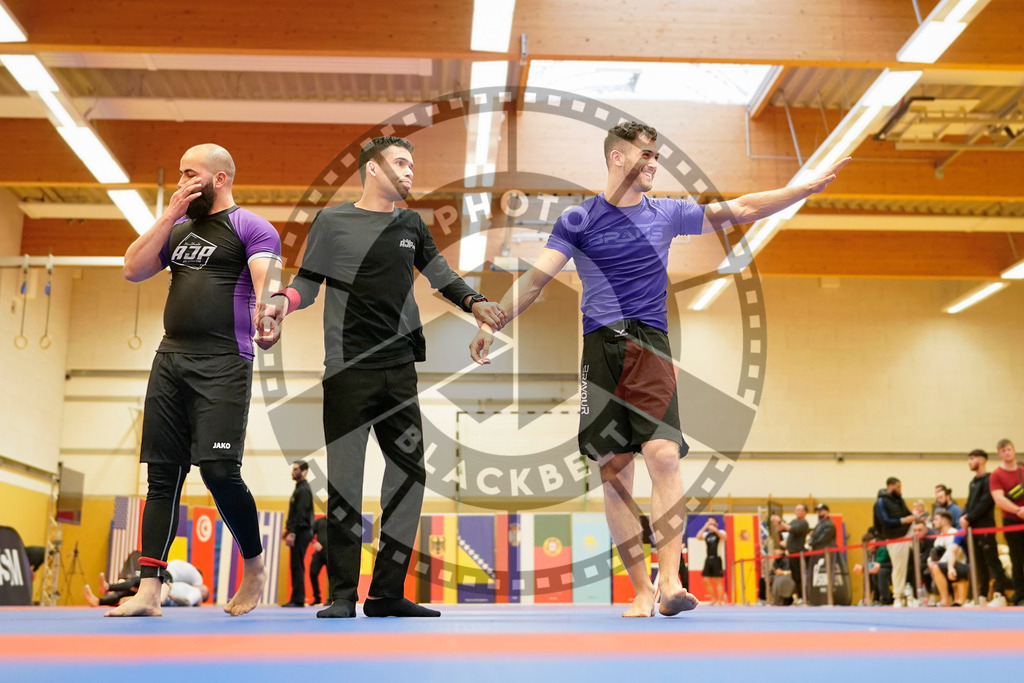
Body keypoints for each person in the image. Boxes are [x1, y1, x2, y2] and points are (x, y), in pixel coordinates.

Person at [468, 120, 849, 617]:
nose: (653, 164)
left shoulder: (667, 213)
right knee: (614, 471)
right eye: (645, 155)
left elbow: (742, 209)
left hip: (650, 344)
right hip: (599, 348)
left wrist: (801, 189)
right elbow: (536, 281)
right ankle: (641, 589)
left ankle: (669, 582)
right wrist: (493, 321)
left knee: (664, 456)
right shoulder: (578, 221)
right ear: (616, 158)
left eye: (656, 157)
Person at [257, 136, 504, 619]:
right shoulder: (332, 221)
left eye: (413, 164)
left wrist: (476, 304)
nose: (411, 172)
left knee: (410, 477)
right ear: (372, 169)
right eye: (401, 163)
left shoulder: (411, 223)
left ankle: (387, 592)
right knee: (346, 483)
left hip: (399, 371)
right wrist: (282, 305)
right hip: (348, 371)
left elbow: (440, 274)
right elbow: (309, 281)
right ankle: (343, 595)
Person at [111, 144, 278, 617]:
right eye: (180, 174)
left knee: (219, 471)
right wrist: (168, 214)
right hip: (171, 359)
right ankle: (149, 590)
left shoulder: (249, 226)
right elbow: (131, 268)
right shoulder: (179, 228)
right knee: (162, 476)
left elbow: (266, 276)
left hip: (225, 360)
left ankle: (255, 567)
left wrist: (270, 313)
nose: (184, 181)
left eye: (192, 174)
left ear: (220, 178)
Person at [961, 448, 1009, 606]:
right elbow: (970, 503)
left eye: (972, 458)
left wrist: (970, 517)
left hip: (985, 527)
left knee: (992, 561)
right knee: (978, 562)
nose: (969, 462)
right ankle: (981, 595)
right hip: (972, 528)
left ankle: (999, 593)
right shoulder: (972, 482)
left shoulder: (990, 479)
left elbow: (986, 502)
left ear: (982, 460)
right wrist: (964, 516)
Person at [989, 438, 1024, 605]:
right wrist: (1018, 510)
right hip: (1011, 519)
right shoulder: (996, 475)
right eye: (1003, 450)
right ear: (999, 454)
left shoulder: (1022, 471)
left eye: (1009, 449)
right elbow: (999, 499)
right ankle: (1020, 592)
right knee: (1016, 558)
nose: (1007, 452)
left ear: (1014, 450)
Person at [873, 477, 915, 607]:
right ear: (890, 486)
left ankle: (903, 594)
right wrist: (903, 521)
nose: (900, 490)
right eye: (898, 487)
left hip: (905, 532)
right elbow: (884, 521)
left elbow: (908, 515)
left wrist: (915, 517)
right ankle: (897, 595)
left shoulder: (899, 500)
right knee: (898, 567)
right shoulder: (881, 502)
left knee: (903, 567)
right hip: (894, 536)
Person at [282, 460, 314, 607]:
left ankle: (298, 599)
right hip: (298, 530)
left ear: (304, 471)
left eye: (296, 469)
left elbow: (301, 515)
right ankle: (296, 598)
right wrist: (288, 529)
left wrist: (293, 533)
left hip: (302, 531)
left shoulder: (303, 490)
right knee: (296, 564)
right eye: (293, 469)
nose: (293, 472)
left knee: (297, 565)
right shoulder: (298, 489)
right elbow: (294, 514)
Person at [928, 510, 969, 607]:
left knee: (937, 567)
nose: (934, 522)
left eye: (936, 519)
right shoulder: (939, 537)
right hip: (946, 565)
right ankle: (945, 598)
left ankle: (945, 600)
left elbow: (953, 552)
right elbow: (933, 554)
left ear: (945, 521)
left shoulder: (953, 533)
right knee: (932, 568)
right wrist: (929, 562)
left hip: (959, 564)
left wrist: (937, 564)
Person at [774, 503, 810, 602]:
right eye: (796, 509)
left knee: (799, 575)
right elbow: (783, 529)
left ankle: (803, 597)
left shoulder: (803, 523)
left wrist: (780, 521)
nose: (797, 511)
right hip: (791, 552)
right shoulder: (794, 521)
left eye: (799, 510)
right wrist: (777, 523)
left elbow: (791, 529)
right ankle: (799, 596)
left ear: (804, 512)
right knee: (795, 576)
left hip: (798, 552)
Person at [697, 517, 727, 605]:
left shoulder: (720, 532)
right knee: (706, 580)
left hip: (717, 558)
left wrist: (715, 530)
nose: (710, 524)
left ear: (716, 524)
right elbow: (698, 537)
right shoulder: (707, 535)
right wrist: (704, 527)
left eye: (712, 522)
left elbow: (725, 537)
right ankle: (713, 598)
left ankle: (720, 600)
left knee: (718, 580)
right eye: (709, 522)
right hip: (708, 559)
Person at [309, 514, 328, 606]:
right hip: (319, 553)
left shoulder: (336, 522)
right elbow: (310, 533)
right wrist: (314, 542)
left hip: (331, 554)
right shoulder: (319, 521)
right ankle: (317, 598)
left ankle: (331, 599)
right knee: (313, 573)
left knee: (332, 577)